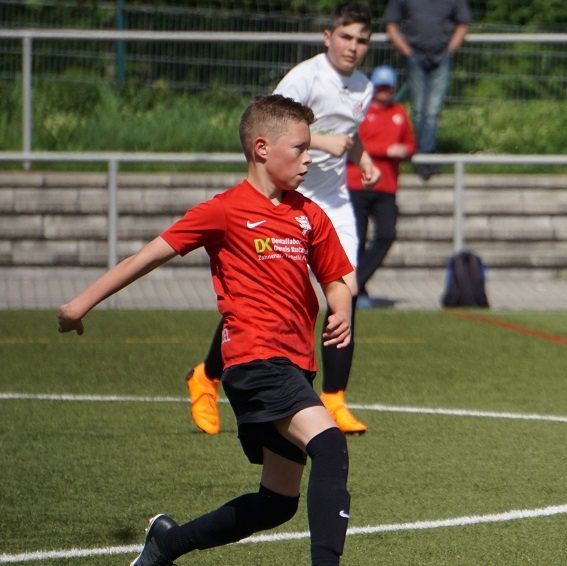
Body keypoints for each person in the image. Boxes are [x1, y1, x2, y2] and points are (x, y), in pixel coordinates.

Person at [59, 94, 356, 565]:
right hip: (256, 361)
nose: (309, 159)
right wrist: (80, 304)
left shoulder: (308, 214)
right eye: (300, 148)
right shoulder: (224, 210)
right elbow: (146, 257)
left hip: (295, 365)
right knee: (330, 443)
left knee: (277, 503)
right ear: (262, 148)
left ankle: (167, 544)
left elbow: (337, 279)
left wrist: (340, 310)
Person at [186, 1, 380, 437]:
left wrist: (362, 157)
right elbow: (277, 126)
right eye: (346, 37)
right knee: (259, 296)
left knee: (346, 291)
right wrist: (324, 143)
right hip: (288, 195)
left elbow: (350, 134)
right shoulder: (304, 78)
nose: (353, 46)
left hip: (333, 203)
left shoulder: (364, 86)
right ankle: (206, 376)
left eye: (362, 40)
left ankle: (334, 397)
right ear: (328, 37)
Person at [347, 65, 416, 308]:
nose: (384, 92)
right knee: (357, 239)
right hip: (357, 183)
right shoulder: (360, 111)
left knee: (387, 234)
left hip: (387, 186)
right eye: (380, 87)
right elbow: (351, 143)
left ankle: (355, 284)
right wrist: (386, 150)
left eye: (388, 88)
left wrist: (406, 150)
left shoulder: (399, 112)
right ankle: (359, 293)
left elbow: (410, 143)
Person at [384, 0, 471, 180]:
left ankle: (425, 157)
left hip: (441, 58)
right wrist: (407, 52)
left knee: (432, 111)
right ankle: (425, 158)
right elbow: (391, 24)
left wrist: (449, 51)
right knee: (418, 111)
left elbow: (463, 24)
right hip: (414, 57)